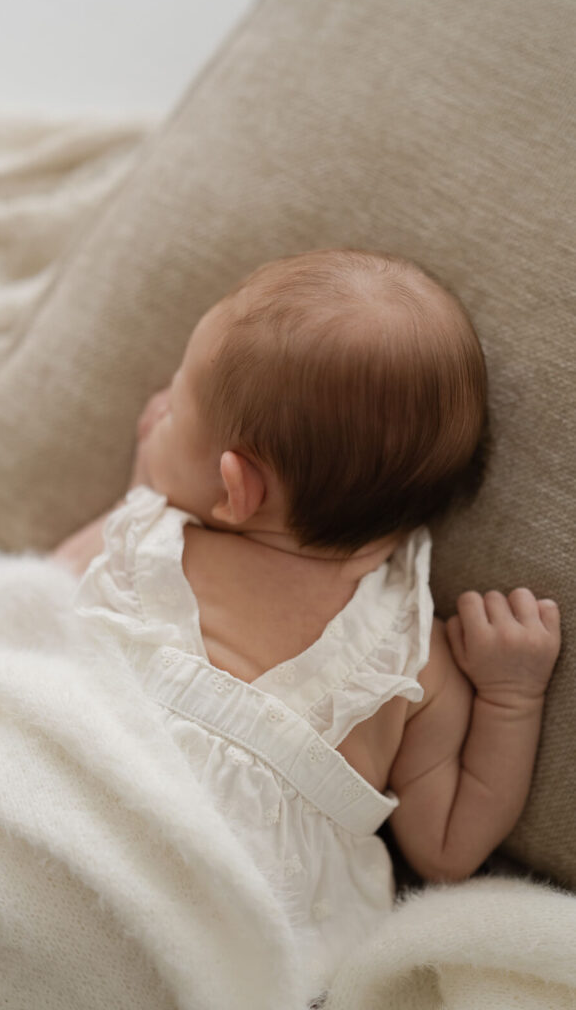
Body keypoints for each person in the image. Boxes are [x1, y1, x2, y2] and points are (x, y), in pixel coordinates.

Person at [52, 248, 561, 996]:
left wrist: (140, 492)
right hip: (212, 959)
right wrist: (512, 697)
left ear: (236, 490)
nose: (155, 407)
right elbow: (448, 846)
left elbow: (22, 607)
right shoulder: (410, 662)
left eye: (176, 405)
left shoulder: (146, 542)